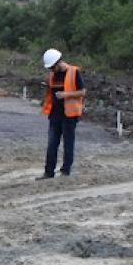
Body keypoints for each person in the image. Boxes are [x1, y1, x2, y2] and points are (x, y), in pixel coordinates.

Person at [39, 47, 85, 178]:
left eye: (52, 67)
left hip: (70, 115)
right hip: (55, 114)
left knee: (68, 143)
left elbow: (83, 92)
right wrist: (44, 101)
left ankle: (65, 171)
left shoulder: (74, 72)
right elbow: (50, 91)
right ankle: (49, 172)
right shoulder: (52, 74)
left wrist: (66, 95)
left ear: (59, 62)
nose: (51, 70)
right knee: (52, 144)